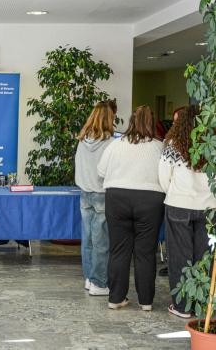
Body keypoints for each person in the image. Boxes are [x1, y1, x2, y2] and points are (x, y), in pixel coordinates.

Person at [98, 105, 165, 311]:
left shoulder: (116, 145)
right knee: (145, 252)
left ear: (131, 122)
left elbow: (101, 171)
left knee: (119, 250)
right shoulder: (159, 146)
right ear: (152, 122)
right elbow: (166, 175)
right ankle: (146, 301)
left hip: (117, 197)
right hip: (150, 200)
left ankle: (116, 298)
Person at [159, 105, 216, 318]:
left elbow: (163, 176)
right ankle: (201, 303)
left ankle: (182, 306)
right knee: (204, 257)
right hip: (209, 207)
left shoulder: (173, 145)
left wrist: (173, 192)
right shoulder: (212, 146)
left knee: (179, 256)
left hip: (179, 205)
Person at [75, 101, 115, 296]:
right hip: (102, 194)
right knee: (101, 241)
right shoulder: (110, 143)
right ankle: (99, 283)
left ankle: (90, 278)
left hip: (84, 193)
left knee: (88, 238)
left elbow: (78, 166)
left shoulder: (82, 139)